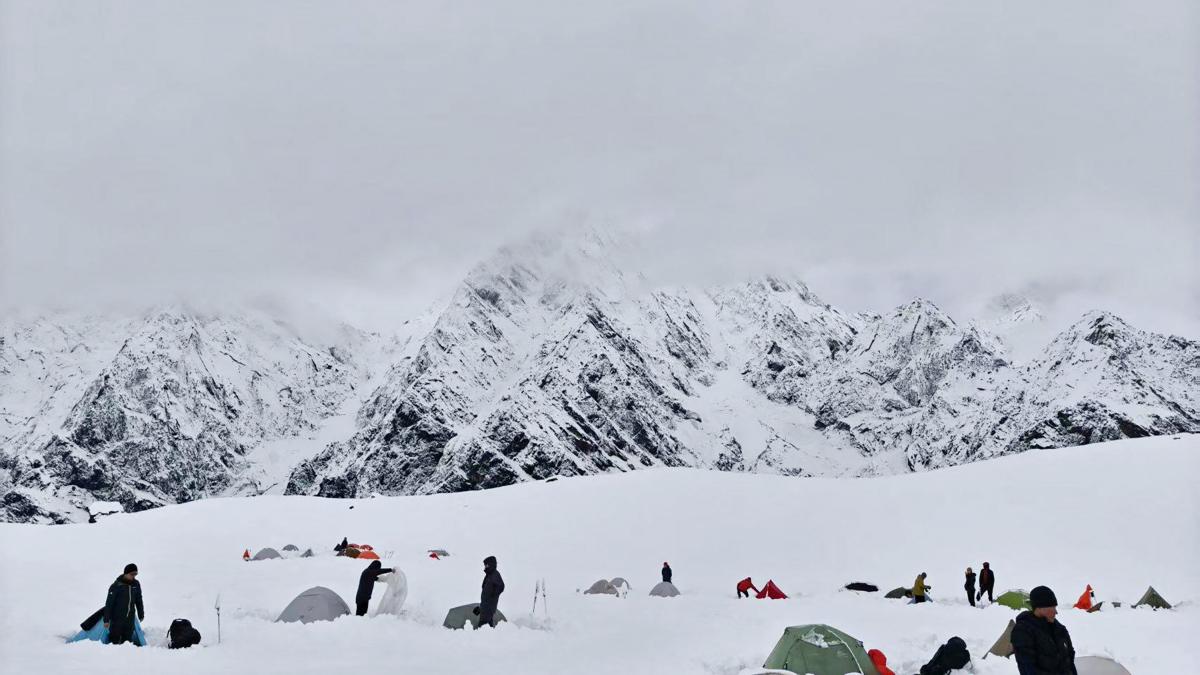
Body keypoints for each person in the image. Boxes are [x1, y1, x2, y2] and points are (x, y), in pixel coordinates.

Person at [1011, 586, 1078, 675]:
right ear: (1039, 608)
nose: (1056, 612)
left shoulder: (1060, 629)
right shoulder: (1023, 631)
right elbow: (1028, 670)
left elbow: (1070, 661)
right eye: (1052, 607)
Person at [104, 563, 144, 646]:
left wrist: (141, 614)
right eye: (132, 574)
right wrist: (106, 620)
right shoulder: (116, 586)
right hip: (117, 619)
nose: (134, 576)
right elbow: (109, 604)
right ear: (126, 573)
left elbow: (139, 600)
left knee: (127, 643)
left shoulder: (136, 584)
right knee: (114, 642)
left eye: (135, 574)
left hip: (130, 619)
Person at [478, 555, 505, 628]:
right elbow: (485, 591)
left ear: (491, 564)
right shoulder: (489, 575)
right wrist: (481, 606)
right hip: (485, 607)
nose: (485, 567)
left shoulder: (495, 574)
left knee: (483, 628)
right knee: (486, 628)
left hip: (489, 608)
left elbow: (501, 586)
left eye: (486, 565)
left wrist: (493, 595)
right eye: (485, 565)